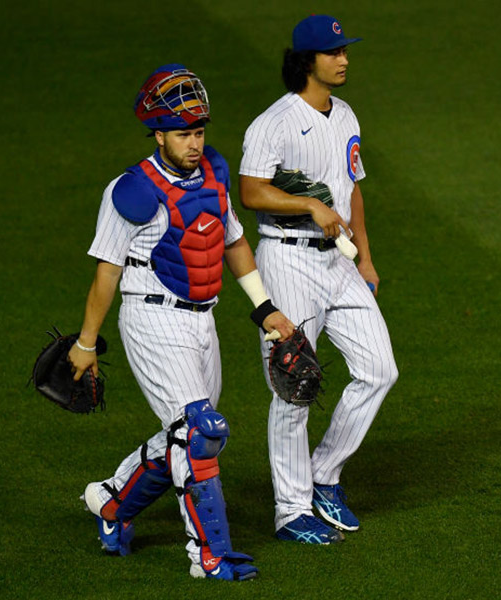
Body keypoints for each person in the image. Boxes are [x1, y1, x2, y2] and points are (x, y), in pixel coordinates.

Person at [68, 63, 295, 580]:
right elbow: (107, 271)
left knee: (193, 437)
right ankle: (209, 556)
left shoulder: (213, 170)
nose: (194, 143)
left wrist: (264, 308)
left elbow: (231, 239)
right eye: (182, 134)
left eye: (198, 132)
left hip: (202, 322)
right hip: (151, 318)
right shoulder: (131, 190)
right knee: (199, 432)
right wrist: (86, 343)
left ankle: (111, 502)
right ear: (157, 133)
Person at [238, 15, 399, 544]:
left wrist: (367, 262)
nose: (345, 59)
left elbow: (352, 193)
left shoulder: (346, 114)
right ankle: (291, 510)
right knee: (293, 385)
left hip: (339, 262)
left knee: (379, 370)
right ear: (308, 61)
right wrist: (308, 204)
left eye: (345, 51)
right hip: (287, 260)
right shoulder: (274, 123)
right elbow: (251, 191)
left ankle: (325, 474)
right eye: (334, 52)